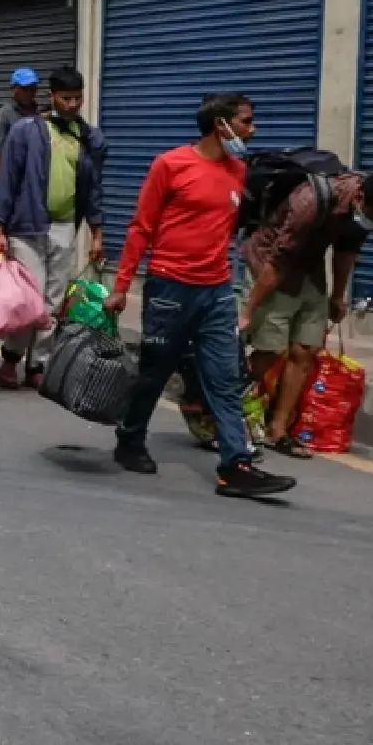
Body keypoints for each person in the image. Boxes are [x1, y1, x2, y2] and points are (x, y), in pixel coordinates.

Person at [106, 93, 296, 500]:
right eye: (245, 122)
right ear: (220, 125)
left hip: (216, 292)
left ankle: (235, 466)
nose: (252, 129)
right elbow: (141, 227)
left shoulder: (238, 171)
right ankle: (130, 438)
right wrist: (121, 286)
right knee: (155, 371)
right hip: (169, 289)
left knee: (225, 380)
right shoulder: (170, 165)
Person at [240, 165, 373, 458]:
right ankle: (225, 413)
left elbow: (346, 250)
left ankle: (278, 431)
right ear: (360, 197)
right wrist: (249, 309)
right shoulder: (310, 200)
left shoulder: (365, 208)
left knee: (305, 351)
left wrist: (337, 296)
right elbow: (278, 261)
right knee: (269, 349)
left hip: (309, 270)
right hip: (269, 266)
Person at [0, 67, 108, 389]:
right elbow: (8, 181)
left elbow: (93, 188)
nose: (72, 104)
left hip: (65, 226)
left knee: (54, 300)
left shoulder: (86, 137)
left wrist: (97, 232)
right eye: (66, 98)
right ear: (52, 96)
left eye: (78, 98)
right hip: (26, 227)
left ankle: (38, 362)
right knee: (30, 298)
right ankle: (11, 359)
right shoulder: (26, 131)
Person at [0, 67, 41, 202]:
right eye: (24, 89)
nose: (29, 93)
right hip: (12, 178)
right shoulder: (4, 114)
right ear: (13, 89)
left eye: (32, 89)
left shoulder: (38, 114)